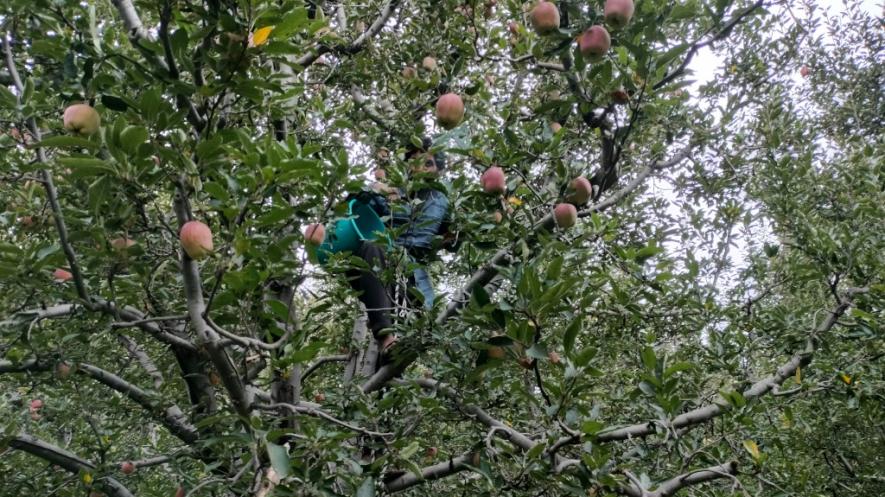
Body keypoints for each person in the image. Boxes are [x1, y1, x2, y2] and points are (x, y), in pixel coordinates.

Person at [345, 138, 452, 357]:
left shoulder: (442, 200)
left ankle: (395, 358)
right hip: (385, 265)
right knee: (371, 246)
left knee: (417, 339)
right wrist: (374, 190)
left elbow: (456, 238)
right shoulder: (393, 194)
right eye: (414, 161)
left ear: (439, 170)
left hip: (413, 278)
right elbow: (356, 205)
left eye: (428, 163)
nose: (420, 167)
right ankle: (385, 337)